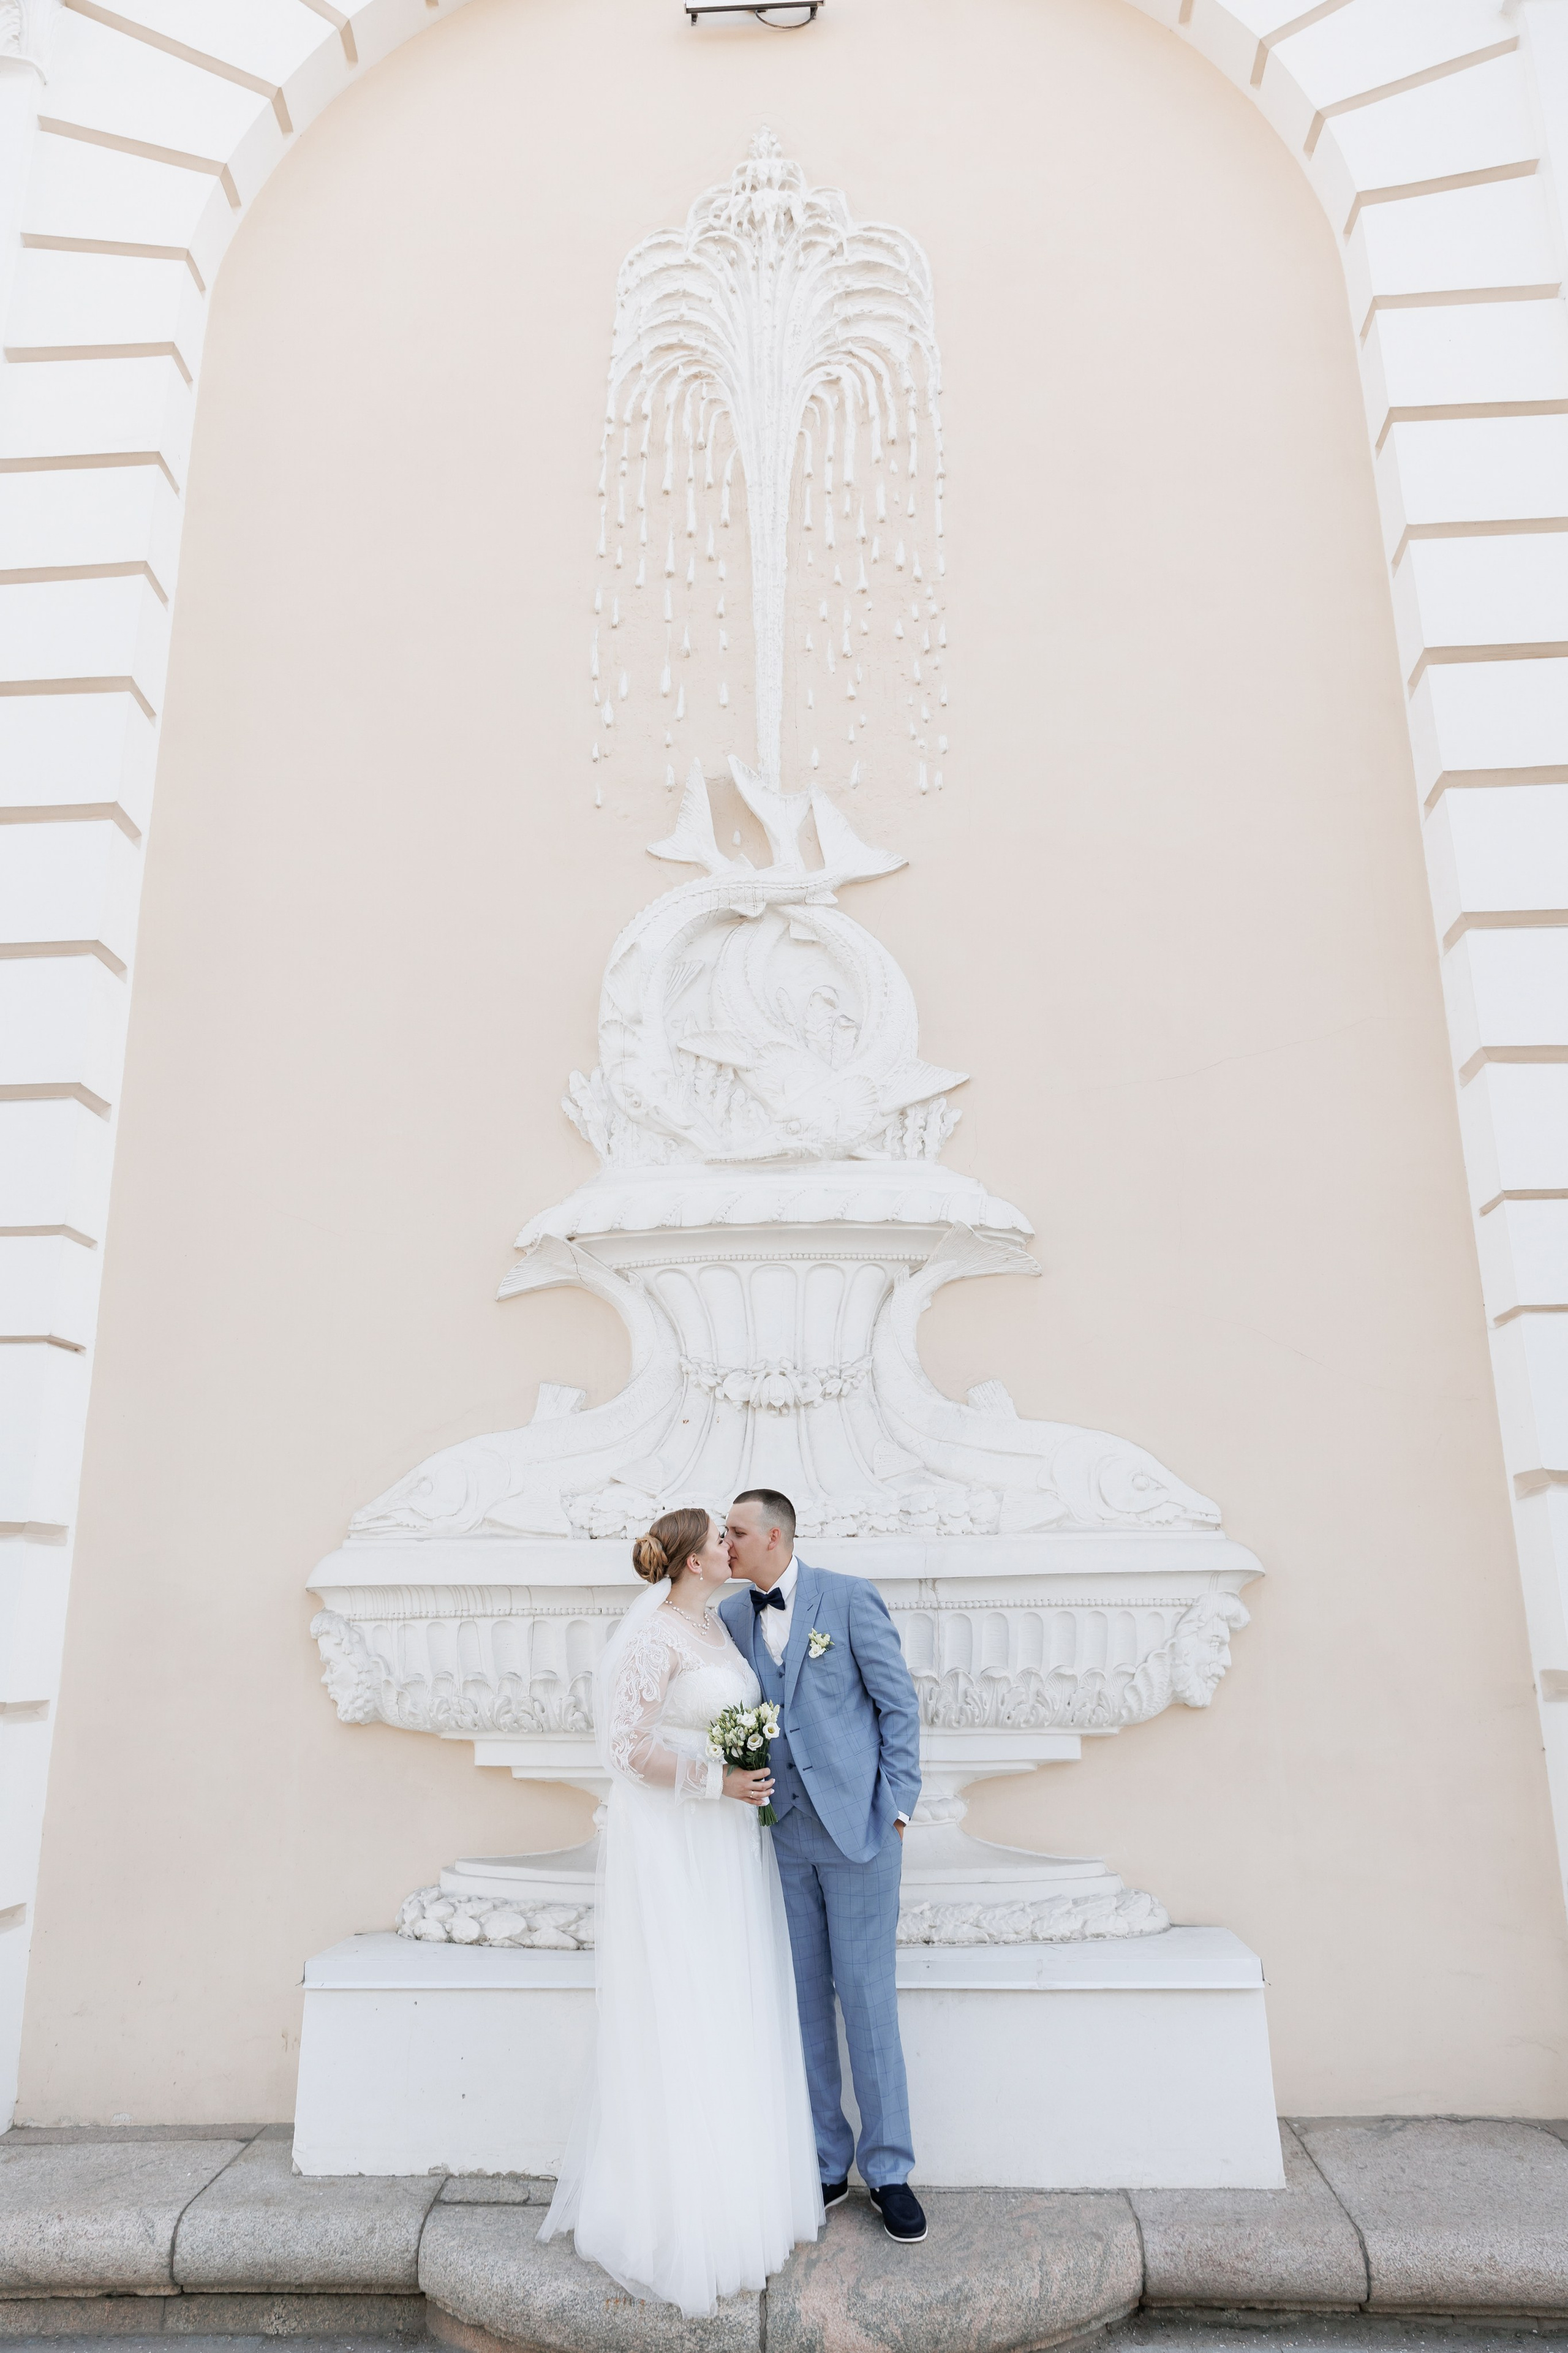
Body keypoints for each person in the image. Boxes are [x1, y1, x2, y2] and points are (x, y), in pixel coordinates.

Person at [538, 1506, 822, 2317]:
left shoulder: (715, 1630)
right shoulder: (653, 1637)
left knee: (729, 1996)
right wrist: (715, 1782)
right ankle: (677, 2212)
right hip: (675, 1841)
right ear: (694, 1561)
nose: (732, 1549)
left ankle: (741, 2189)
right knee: (684, 1999)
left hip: (724, 1843)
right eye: (720, 1542)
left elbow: (720, 1720)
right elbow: (625, 1747)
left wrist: (742, 1768)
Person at [720, 1489, 927, 2245]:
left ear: (774, 1534)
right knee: (803, 2000)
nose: (726, 1543)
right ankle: (824, 2159)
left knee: (868, 1999)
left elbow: (897, 1705)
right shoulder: (730, 1618)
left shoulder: (847, 1597)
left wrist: (897, 1806)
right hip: (779, 1836)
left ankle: (891, 2168)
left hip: (860, 1833)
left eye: (736, 1532)